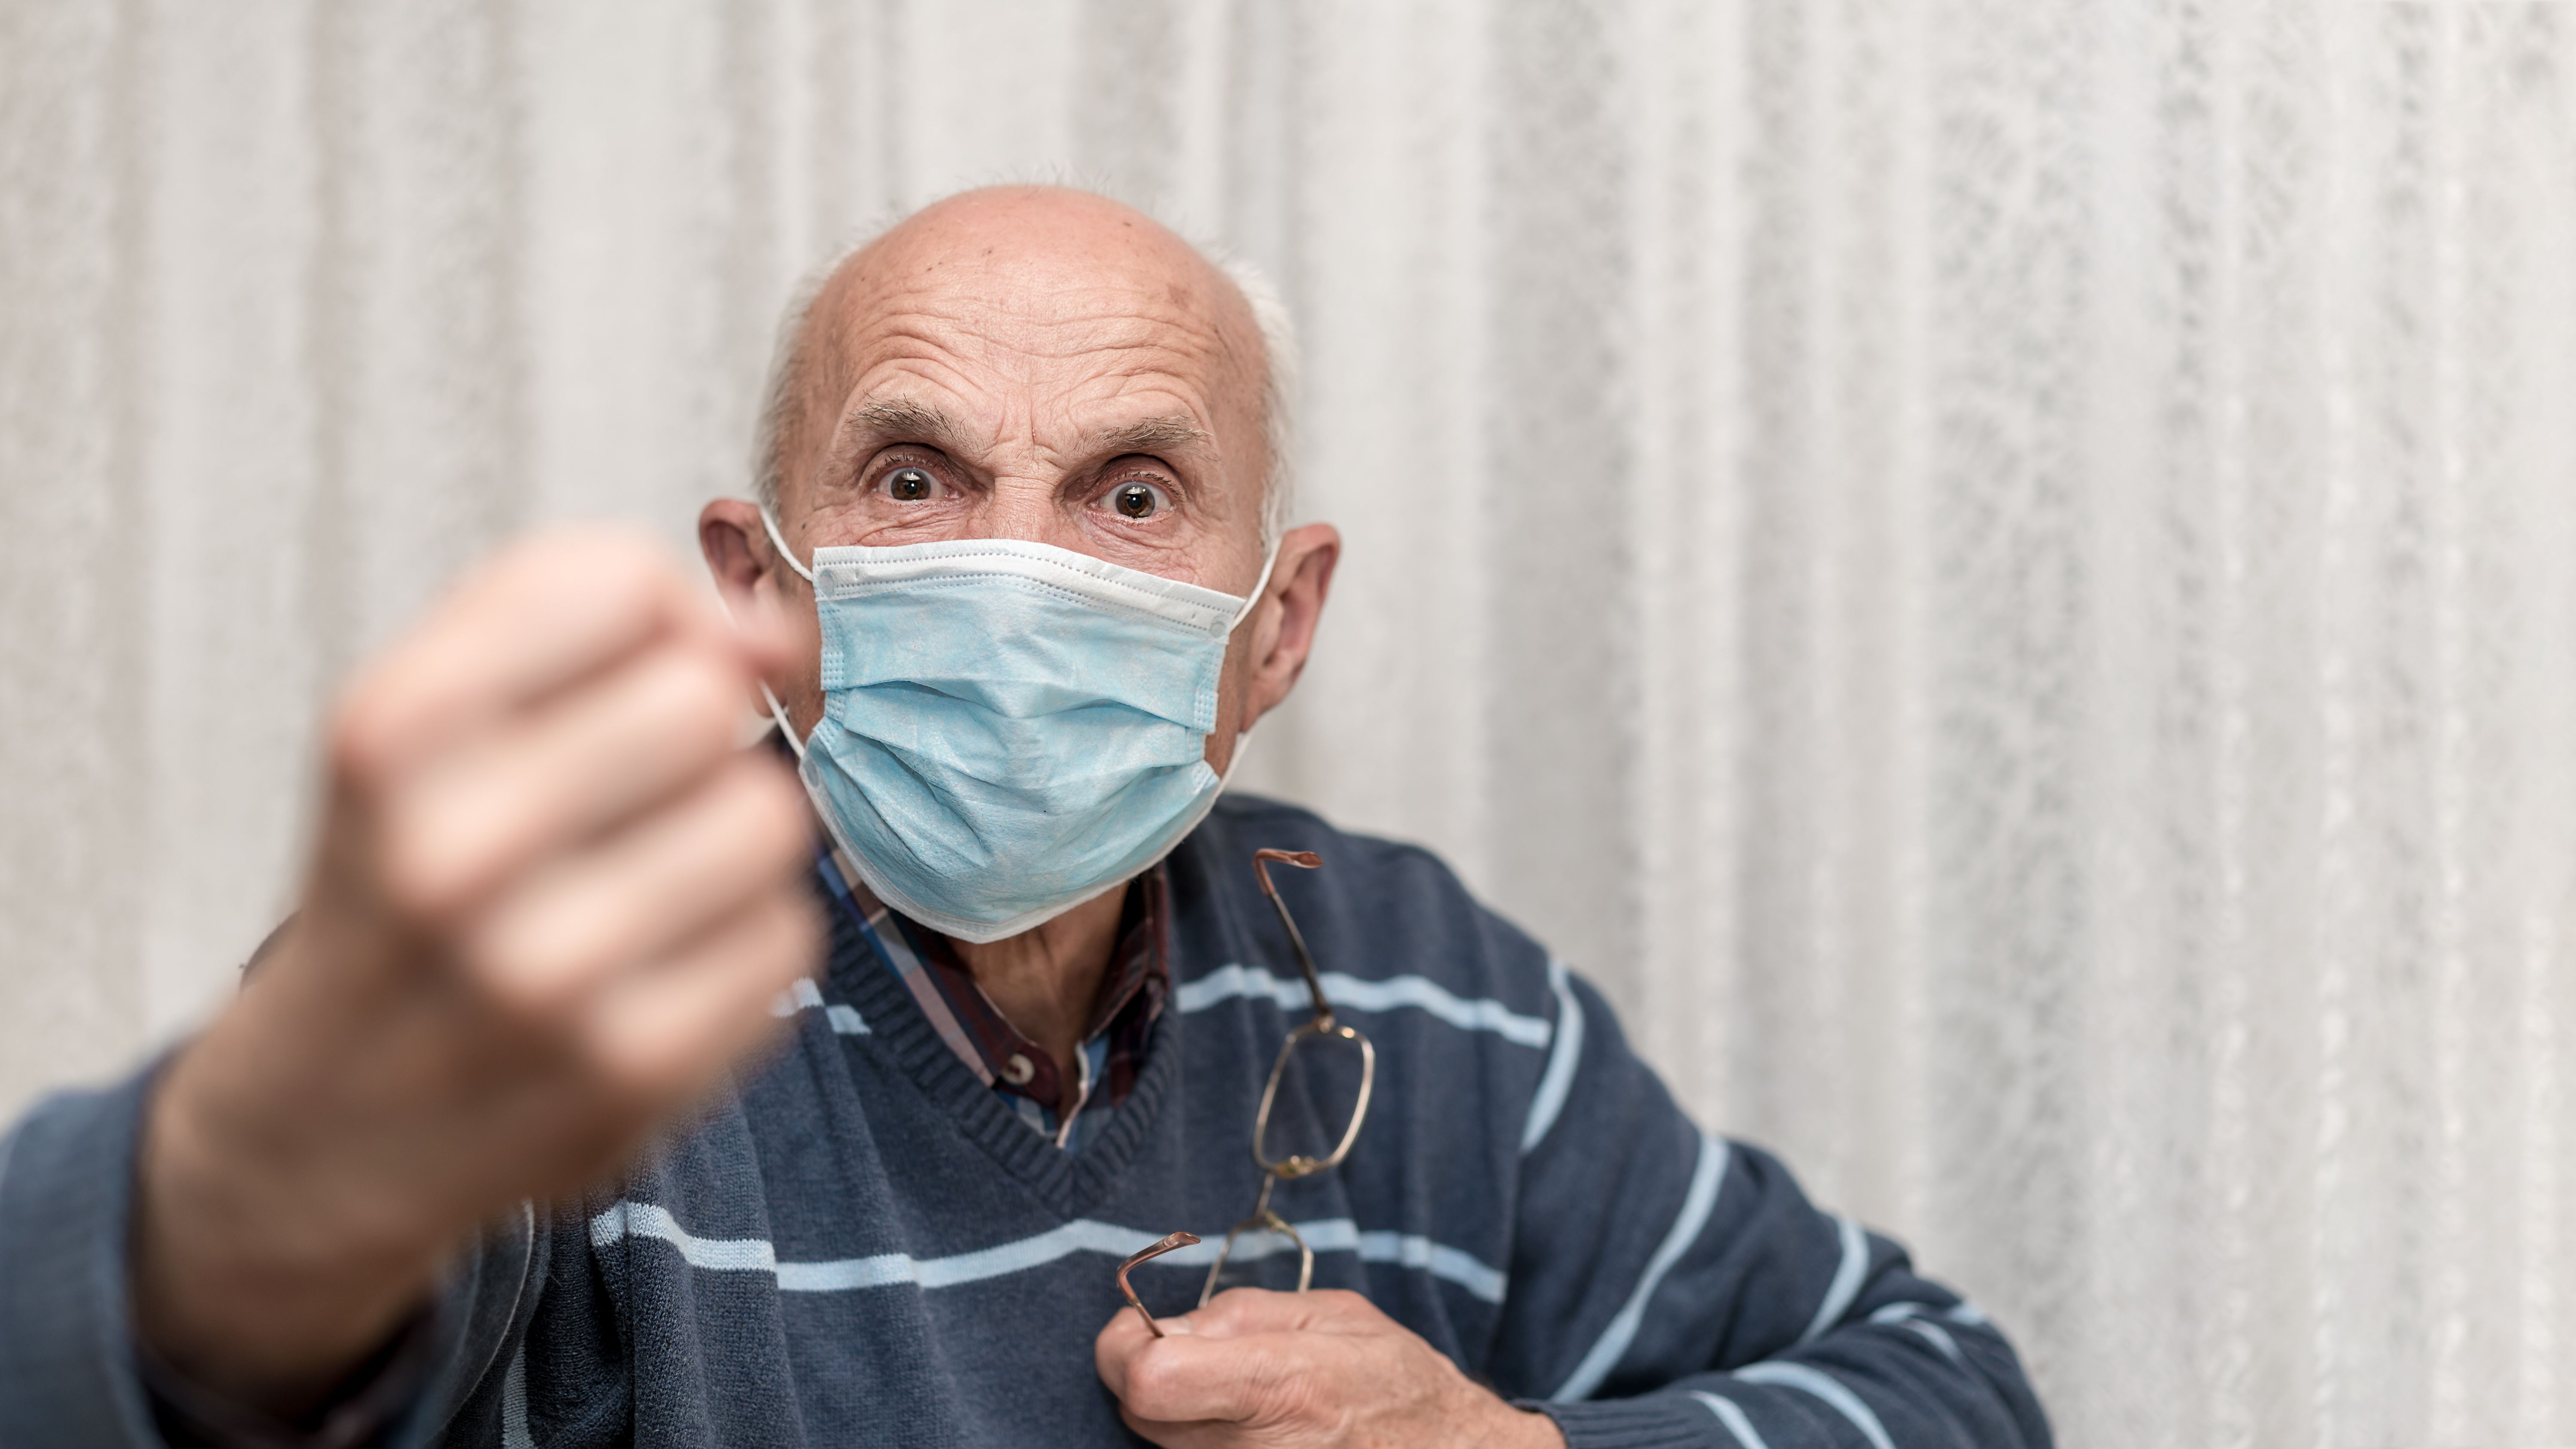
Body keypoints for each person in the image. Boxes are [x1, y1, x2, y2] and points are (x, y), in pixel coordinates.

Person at [0, 186, 2051, 1449]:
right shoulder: (576, 980)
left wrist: (1503, 1448)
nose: (1018, 578)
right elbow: (157, 1372)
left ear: (1280, 626)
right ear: (760, 586)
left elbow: (1945, 1388)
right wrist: (237, 1212)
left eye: (1131, 495)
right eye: (914, 481)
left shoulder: (1430, 989)